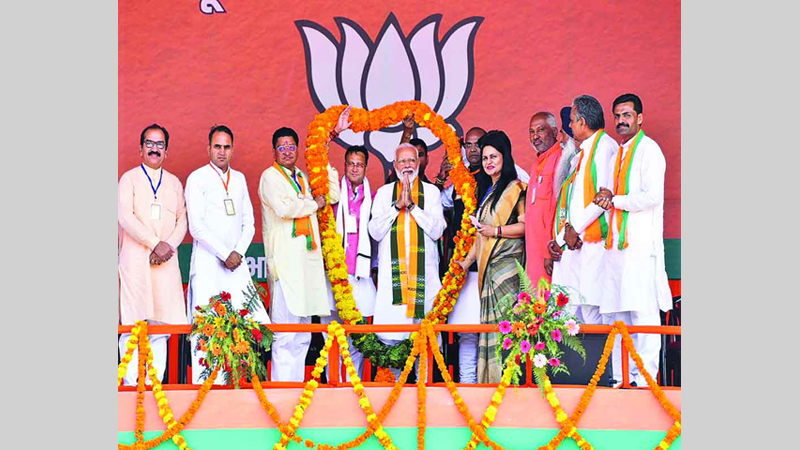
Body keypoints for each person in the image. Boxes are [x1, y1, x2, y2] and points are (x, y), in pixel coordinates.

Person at [593, 93, 672, 387]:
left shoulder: (650, 150)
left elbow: (652, 196)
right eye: (617, 116)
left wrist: (615, 200)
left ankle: (646, 380)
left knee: (643, 315)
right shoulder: (616, 155)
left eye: (626, 115)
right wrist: (606, 199)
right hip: (615, 249)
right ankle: (620, 378)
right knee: (618, 316)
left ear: (640, 118)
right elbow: (608, 196)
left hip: (640, 248)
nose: (621, 121)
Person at [258, 118, 342, 382]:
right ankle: (282, 392)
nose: (287, 151)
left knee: (304, 334)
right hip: (285, 266)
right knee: (285, 334)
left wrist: (322, 155)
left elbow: (333, 195)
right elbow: (285, 209)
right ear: (274, 151)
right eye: (281, 147)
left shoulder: (303, 177)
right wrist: (313, 204)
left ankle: (295, 390)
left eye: (291, 146)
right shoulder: (270, 177)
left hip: (307, 266)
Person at [185, 125, 270, 384]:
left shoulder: (240, 178)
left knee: (242, 328)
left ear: (232, 149)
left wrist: (237, 253)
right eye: (217, 146)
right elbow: (196, 227)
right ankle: (204, 394)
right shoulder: (197, 178)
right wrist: (224, 254)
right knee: (207, 331)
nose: (222, 151)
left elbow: (249, 223)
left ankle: (234, 391)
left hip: (236, 267)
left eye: (226, 147)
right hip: (209, 265)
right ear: (208, 149)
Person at [118, 123, 188, 386]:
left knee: (160, 328)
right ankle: (130, 387)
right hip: (136, 263)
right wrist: (154, 243)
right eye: (149, 143)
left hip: (164, 265)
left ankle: (153, 387)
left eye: (160, 144)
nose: (154, 149)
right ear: (141, 149)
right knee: (132, 326)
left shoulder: (174, 183)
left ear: (166, 151)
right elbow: (125, 217)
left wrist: (166, 248)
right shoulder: (129, 179)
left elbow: (183, 221)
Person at [369, 143, 446, 378]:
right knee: (391, 343)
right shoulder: (384, 193)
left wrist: (412, 206)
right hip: (393, 284)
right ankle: (392, 395)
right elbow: (375, 231)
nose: (407, 165)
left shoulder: (431, 193)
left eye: (411, 160)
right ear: (394, 165)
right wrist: (396, 207)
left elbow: (437, 230)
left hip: (425, 282)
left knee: (425, 344)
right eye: (402, 161)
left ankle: (424, 394)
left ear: (419, 163)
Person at [458, 130, 527, 383]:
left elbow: (524, 226)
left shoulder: (516, 188)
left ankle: (508, 385)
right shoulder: (489, 191)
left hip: (507, 271)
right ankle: (490, 385)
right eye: (485, 157)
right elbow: (481, 235)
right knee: (490, 331)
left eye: (493, 156)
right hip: (488, 272)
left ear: (504, 156)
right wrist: (465, 263)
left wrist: (495, 231)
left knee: (506, 329)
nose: (488, 162)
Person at [548, 95, 618, 326]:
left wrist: (573, 230)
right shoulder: (585, 152)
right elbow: (573, 203)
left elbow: (602, 198)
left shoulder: (604, 148)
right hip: (579, 242)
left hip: (596, 243)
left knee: (593, 312)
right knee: (576, 314)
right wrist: (561, 237)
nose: (569, 126)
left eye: (571, 120)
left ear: (583, 122)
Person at [322, 116, 377, 381]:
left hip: (361, 275)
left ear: (366, 168)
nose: (355, 169)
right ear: (344, 166)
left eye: (359, 164)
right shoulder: (333, 193)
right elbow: (317, 162)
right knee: (331, 338)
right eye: (351, 164)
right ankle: (333, 386)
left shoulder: (374, 198)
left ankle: (353, 388)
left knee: (357, 339)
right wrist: (332, 134)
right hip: (334, 275)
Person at [440, 126, 483, 384]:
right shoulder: (459, 179)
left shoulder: (500, 176)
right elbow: (440, 204)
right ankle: (467, 387)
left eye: (479, 144)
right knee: (466, 332)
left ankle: (487, 389)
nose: (474, 149)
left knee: (490, 333)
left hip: (488, 266)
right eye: (469, 145)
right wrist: (442, 177)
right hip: (462, 268)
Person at [524, 112, 564, 285]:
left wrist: (550, 249)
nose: (535, 136)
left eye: (541, 130)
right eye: (531, 132)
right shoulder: (538, 162)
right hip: (533, 247)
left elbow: (558, 207)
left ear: (554, 132)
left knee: (548, 298)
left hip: (549, 250)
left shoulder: (560, 158)